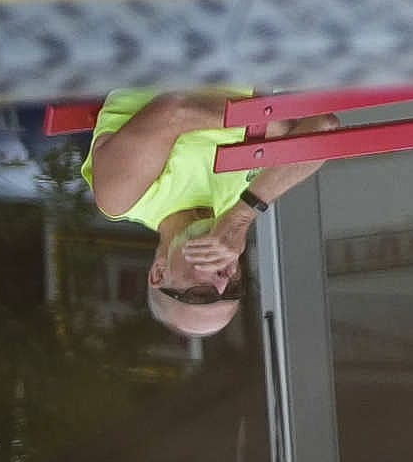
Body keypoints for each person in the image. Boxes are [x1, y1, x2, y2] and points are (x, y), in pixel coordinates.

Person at [84, 87, 318, 337]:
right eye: (233, 290)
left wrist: (269, 127)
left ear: (159, 273)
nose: (223, 280)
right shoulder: (245, 200)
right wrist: (244, 213)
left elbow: (176, 110)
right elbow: (323, 126)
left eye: (201, 294)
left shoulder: (122, 201)